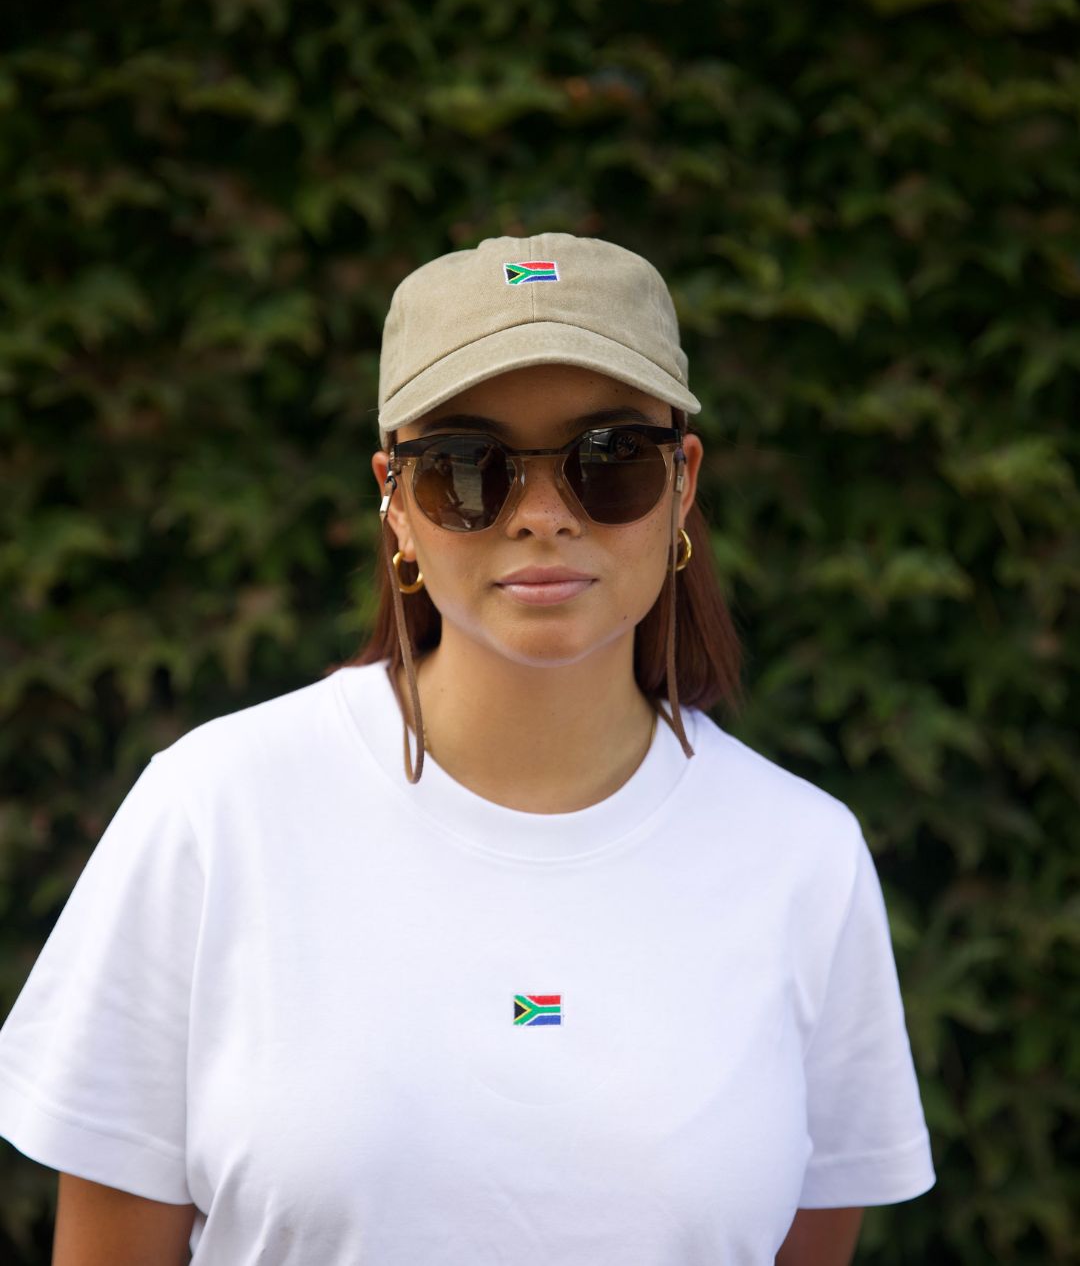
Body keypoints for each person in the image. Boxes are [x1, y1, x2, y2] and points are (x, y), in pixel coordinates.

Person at [0, 233, 936, 1264]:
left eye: (610, 459)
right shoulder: (213, 814)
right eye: (464, 468)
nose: (542, 516)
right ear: (395, 502)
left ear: (683, 482)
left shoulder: (802, 858)